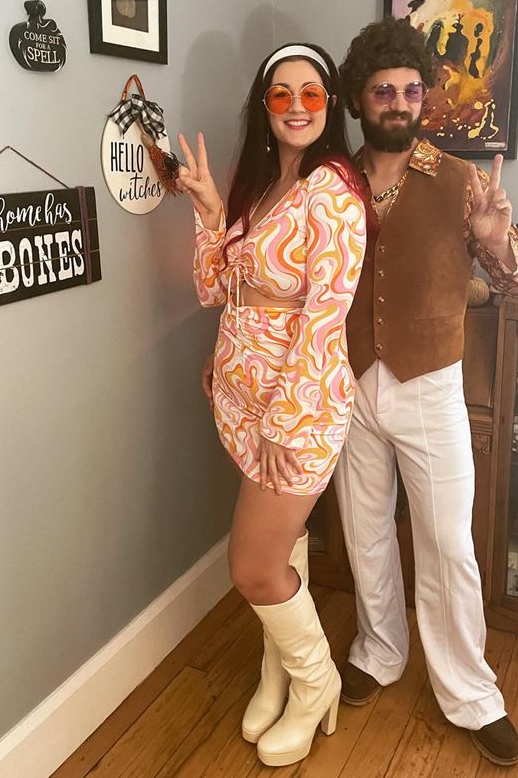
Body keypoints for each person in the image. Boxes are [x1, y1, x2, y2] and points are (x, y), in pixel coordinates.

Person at [333, 17, 518, 768]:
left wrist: (494, 237)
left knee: (449, 545)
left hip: (430, 385)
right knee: (365, 532)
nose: (398, 101)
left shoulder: (460, 181)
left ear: (424, 98)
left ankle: (471, 693)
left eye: (411, 90)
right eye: (383, 91)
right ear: (361, 99)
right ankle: (378, 650)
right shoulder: (335, 182)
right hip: (350, 383)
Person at [179, 43, 367, 768]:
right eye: (281, 93)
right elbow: (215, 287)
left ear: (330, 105)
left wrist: (286, 420)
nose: (295, 105)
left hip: (299, 406)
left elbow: (325, 315)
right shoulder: (260, 185)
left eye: (311, 93)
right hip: (240, 393)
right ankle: (276, 672)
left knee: (253, 566)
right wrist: (206, 210)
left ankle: (315, 683)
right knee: (281, 551)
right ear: (264, 105)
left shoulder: (335, 191)